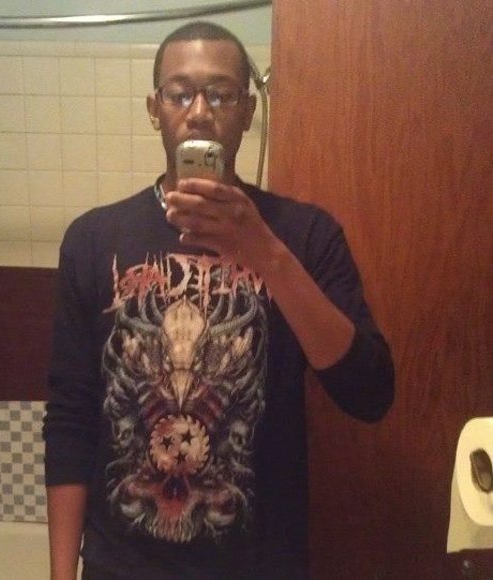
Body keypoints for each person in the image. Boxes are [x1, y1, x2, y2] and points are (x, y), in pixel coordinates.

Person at [43, 21, 394, 580]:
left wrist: (267, 253)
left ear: (249, 111)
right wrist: (62, 573)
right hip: (121, 565)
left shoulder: (305, 236)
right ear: (155, 109)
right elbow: (70, 418)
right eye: (180, 93)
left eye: (221, 94)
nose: (200, 111)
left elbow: (369, 392)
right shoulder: (92, 240)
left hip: (259, 566)